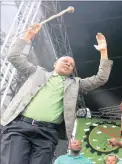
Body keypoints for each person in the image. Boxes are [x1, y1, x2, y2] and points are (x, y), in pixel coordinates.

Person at [0, 24, 113, 164]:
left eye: (71, 64)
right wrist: (27, 36)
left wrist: (103, 52)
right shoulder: (37, 72)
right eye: (64, 61)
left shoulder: (75, 84)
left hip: (46, 134)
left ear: (72, 71)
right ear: (55, 64)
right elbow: (14, 56)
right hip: (20, 127)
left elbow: (101, 78)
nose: (68, 64)